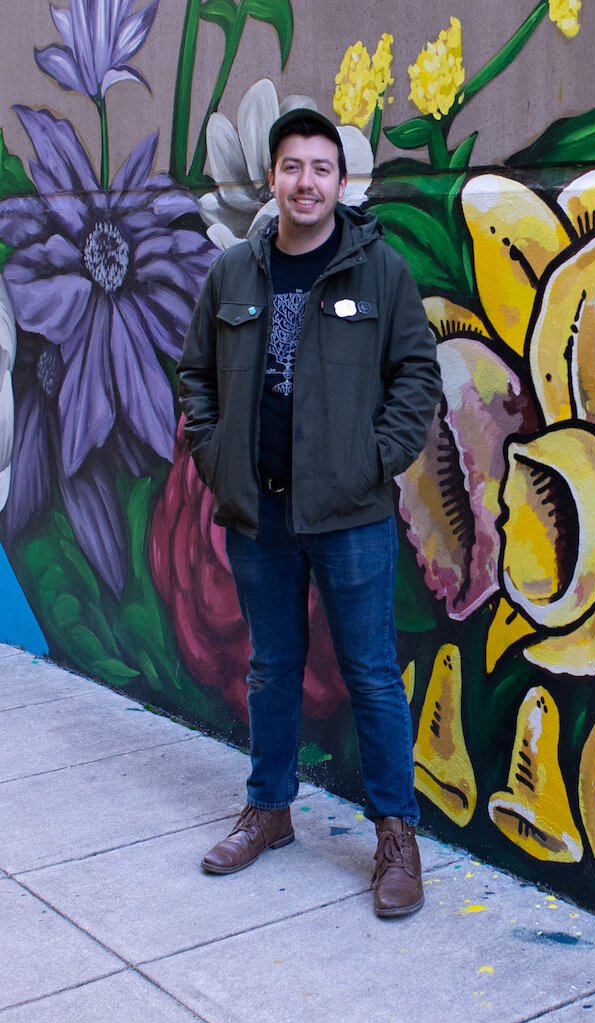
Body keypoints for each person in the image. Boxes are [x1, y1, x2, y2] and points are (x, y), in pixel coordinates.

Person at [177, 107, 442, 918]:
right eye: (291, 167)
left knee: (369, 674)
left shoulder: (380, 271)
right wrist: (219, 455)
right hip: (260, 511)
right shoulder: (234, 274)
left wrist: (372, 460)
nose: (305, 182)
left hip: (351, 513)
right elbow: (196, 378)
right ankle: (270, 810)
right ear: (271, 179)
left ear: (341, 180)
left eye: (320, 168)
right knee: (270, 668)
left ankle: (395, 837)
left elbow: (416, 377)